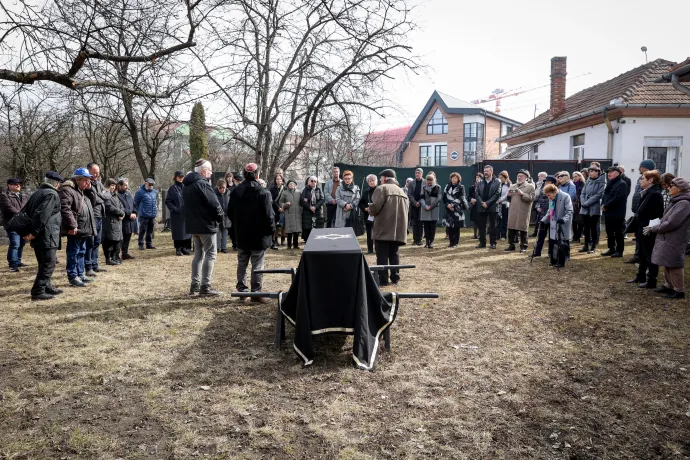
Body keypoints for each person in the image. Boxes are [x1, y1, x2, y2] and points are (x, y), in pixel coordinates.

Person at [228, 163, 275, 302]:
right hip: (259, 235)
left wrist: (238, 225)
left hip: (242, 233)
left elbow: (230, 211)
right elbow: (269, 216)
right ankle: (256, 292)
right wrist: (270, 231)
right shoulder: (263, 193)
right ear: (257, 175)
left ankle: (242, 291)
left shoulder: (236, 192)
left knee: (242, 262)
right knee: (257, 264)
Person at [183, 159, 225, 296]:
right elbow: (214, 204)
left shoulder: (187, 186)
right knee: (211, 254)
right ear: (203, 171)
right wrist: (220, 217)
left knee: (198, 254)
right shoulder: (203, 185)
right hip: (206, 226)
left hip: (193, 226)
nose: (211, 172)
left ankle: (194, 286)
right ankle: (205, 287)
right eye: (210, 170)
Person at [647, 177, 690, 299]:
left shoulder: (684, 203)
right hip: (668, 237)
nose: (668, 188)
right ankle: (668, 285)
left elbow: (672, 223)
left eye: (671, 186)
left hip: (675, 237)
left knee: (674, 263)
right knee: (667, 261)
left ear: (679, 188)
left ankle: (679, 290)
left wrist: (655, 228)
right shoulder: (676, 201)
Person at [22, 171, 63, 300]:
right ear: (56, 183)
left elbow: (26, 212)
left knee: (43, 263)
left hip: (42, 234)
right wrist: (34, 232)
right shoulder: (51, 194)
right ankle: (38, 291)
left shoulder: (37, 193)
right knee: (48, 264)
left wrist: (30, 232)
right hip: (46, 235)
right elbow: (42, 214)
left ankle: (46, 286)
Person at [368, 169, 409, 286]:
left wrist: (369, 209)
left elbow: (375, 207)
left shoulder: (381, 189)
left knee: (382, 255)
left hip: (383, 228)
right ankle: (395, 277)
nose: (381, 181)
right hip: (398, 230)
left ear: (385, 178)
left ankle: (383, 280)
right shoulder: (402, 192)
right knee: (394, 254)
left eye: (381, 179)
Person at [59, 168, 97, 287]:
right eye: (85, 180)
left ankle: (80, 274)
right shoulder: (68, 190)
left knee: (81, 252)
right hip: (76, 228)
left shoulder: (82, 190)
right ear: (78, 180)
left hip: (84, 227)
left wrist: (90, 189)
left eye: (89, 181)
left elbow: (94, 201)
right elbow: (65, 208)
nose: (88, 183)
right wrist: (72, 224)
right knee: (73, 253)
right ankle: (73, 276)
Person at [627, 170, 664, 289]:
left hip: (648, 229)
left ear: (650, 180)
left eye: (643, 178)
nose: (640, 180)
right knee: (641, 253)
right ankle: (640, 275)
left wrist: (650, 228)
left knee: (649, 254)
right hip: (641, 227)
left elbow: (657, 214)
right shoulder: (647, 192)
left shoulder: (655, 194)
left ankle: (651, 280)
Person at [627, 159, 656, 264]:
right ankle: (637, 256)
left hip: (645, 214)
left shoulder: (653, 180)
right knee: (638, 236)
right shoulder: (641, 177)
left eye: (641, 166)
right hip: (638, 211)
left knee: (645, 239)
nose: (639, 168)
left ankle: (644, 259)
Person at [540, 183, 573, 268]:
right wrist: (543, 220)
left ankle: (561, 263)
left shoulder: (565, 196)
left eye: (549, 195)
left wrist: (563, 219)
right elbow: (549, 212)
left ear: (554, 192)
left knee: (561, 243)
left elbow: (569, 211)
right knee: (553, 243)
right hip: (553, 224)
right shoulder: (551, 198)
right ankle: (553, 261)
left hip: (562, 224)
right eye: (547, 196)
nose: (548, 197)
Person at [0, 177, 29, 272]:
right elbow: (9, 208)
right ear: (9, 185)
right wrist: (21, 214)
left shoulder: (23, 195)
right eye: (15, 184)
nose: (18, 185)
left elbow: (27, 207)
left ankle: (18, 261)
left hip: (22, 223)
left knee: (21, 243)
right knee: (15, 243)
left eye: (19, 184)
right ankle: (12, 264)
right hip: (12, 223)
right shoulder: (4, 196)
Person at [84, 163, 106, 276]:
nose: (97, 174)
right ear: (89, 172)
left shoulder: (99, 183)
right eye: (94, 172)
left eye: (98, 172)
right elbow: (94, 199)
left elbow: (107, 196)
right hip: (91, 216)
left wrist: (100, 196)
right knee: (90, 242)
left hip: (99, 216)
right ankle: (88, 266)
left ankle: (95, 264)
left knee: (97, 241)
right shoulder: (86, 184)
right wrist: (100, 196)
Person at [505, 169, 535, 253]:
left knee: (523, 228)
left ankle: (523, 246)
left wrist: (522, 194)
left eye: (521, 176)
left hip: (523, 211)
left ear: (526, 177)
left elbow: (532, 198)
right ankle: (511, 245)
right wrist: (508, 196)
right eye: (518, 176)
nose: (519, 177)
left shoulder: (530, 187)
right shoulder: (513, 186)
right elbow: (508, 200)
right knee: (511, 228)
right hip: (513, 210)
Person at [601, 166, 628, 258]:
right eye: (608, 172)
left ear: (618, 173)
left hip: (617, 212)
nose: (609, 173)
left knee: (618, 232)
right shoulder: (610, 183)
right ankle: (611, 248)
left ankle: (619, 251)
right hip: (608, 211)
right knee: (609, 231)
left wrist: (606, 205)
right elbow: (605, 195)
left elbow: (618, 198)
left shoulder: (621, 184)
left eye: (611, 172)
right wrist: (604, 204)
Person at [472, 165, 501, 249]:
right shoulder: (480, 182)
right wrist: (482, 203)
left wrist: (487, 203)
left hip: (492, 206)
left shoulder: (497, 181)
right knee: (481, 226)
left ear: (492, 172)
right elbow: (476, 193)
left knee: (493, 226)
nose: (485, 173)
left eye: (487, 171)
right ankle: (482, 243)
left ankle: (493, 243)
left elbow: (497, 194)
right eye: (484, 171)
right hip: (481, 207)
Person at [578, 165, 605, 254]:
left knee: (593, 227)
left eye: (593, 171)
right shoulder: (588, 181)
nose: (591, 173)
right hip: (585, 207)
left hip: (595, 207)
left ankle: (593, 246)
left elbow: (599, 195)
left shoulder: (602, 182)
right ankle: (586, 245)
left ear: (598, 172)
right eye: (590, 171)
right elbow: (582, 193)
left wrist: (587, 203)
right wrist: (583, 203)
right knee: (585, 227)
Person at [166, 171, 191, 256]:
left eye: (182, 177)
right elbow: (168, 201)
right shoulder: (172, 188)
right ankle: (178, 248)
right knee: (178, 232)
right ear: (176, 177)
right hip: (176, 214)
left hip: (185, 213)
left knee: (186, 232)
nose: (181, 178)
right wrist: (174, 209)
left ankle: (184, 248)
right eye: (179, 177)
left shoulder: (186, 187)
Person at [531, 175, 558, 258]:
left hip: (551, 215)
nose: (545, 183)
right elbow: (538, 200)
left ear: (552, 183)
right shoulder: (543, 190)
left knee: (551, 236)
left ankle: (550, 253)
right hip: (542, 215)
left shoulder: (555, 191)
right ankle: (537, 252)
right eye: (545, 182)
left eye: (547, 182)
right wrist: (537, 206)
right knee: (540, 235)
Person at [101, 178, 125, 266]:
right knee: (109, 241)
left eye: (114, 185)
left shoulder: (115, 195)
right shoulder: (105, 195)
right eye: (112, 185)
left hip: (117, 221)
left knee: (117, 241)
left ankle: (115, 257)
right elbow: (108, 206)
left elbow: (121, 205)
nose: (113, 187)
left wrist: (122, 213)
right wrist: (120, 212)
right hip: (109, 221)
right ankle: (108, 258)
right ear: (107, 185)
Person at [442, 172, 466, 248]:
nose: (453, 179)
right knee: (449, 226)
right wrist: (448, 205)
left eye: (455, 178)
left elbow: (462, 197)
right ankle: (451, 242)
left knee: (456, 227)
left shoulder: (461, 187)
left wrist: (453, 205)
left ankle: (455, 243)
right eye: (452, 178)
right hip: (448, 209)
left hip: (457, 210)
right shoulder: (447, 186)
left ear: (458, 179)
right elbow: (444, 198)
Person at [134, 178, 158, 250]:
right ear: (146, 183)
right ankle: (141, 244)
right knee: (142, 230)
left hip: (152, 215)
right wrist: (137, 212)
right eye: (149, 185)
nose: (151, 186)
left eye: (152, 185)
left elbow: (155, 202)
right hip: (144, 215)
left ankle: (149, 243)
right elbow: (135, 203)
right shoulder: (140, 192)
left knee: (150, 230)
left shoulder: (154, 192)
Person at [117, 178, 137, 260]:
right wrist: (129, 214)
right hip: (123, 220)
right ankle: (116, 254)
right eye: (125, 185)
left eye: (127, 185)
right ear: (120, 185)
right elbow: (120, 207)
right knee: (121, 238)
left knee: (128, 237)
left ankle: (125, 253)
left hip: (130, 220)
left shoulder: (129, 194)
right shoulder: (117, 195)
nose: (126, 187)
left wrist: (135, 213)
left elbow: (134, 204)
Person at [300, 176, 325, 242]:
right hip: (307, 211)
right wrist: (310, 207)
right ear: (309, 182)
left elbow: (322, 199)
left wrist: (315, 207)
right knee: (307, 226)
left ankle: (317, 240)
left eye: (315, 181)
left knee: (317, 225)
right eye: (312, 181)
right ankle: (307, 240)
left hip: (317, 211)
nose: (313, 182)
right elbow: (302, 199)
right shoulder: (305, 189)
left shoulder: (319, 189)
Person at [419, 173, 441, 248]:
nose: (429, 182)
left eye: (431, 180)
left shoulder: (438, 187)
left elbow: (439, 198)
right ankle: (427, 242)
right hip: (425, 210)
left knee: (432, 227)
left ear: (434, 180)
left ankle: (431, 242)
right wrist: (425, 206)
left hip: (434, 209)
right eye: (428, 180)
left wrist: (431, 206)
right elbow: (421, 198)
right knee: (426, 227)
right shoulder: (423, 188)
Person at [279, 179, 302, 249]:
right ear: (288, 185)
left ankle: (296, 245)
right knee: (289, 231)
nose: (292, 185)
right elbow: (280, 202)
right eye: (290, 184)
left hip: (297, 213)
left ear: (295, 185)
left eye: (293, 184)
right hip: (288, 214)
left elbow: (301, 202)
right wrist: (286, 204)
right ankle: (289, 245)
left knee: (296, 231)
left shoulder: (299, 192)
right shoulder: (284, 193)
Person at [359, 174, 378, 254]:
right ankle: (370, 249)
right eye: (370, 181)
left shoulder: (380, 190)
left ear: (376, 181)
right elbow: (361, 203)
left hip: (378, 216)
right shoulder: (366, 192)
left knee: (378, 233)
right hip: (369, 216)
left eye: (373, 180)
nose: (372, 182)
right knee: (369, 233)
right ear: (368, 183)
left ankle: (378, 249)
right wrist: (365, 208)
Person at [407, 168, 425, 246]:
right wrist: (415, 202)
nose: (417, 174)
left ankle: (420, 240)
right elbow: (409, 194)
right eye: (416, 173)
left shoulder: (425, 182)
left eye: (419, 173)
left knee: (421, 223)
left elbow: (426, 194)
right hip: (414, 206)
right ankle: (415, 239)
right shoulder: (411, 183)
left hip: (422, 205)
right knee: (414, 223)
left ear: (422, 174)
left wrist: (420, 202)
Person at [215, 179, 232, 253]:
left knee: (225, 232)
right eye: (220, 188)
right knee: (218, 232)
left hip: (227, 216)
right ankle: (217, 247)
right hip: (217, 216)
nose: (222, 190)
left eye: (223, 188)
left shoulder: (229, 193)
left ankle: (224, 247)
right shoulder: (214, 194)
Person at [269, 174, 285, 249]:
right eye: (277, 179)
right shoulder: (272, 188)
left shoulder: (284, 188)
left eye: (280, 179)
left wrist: (283, 207)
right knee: (274, 225)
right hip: (274, 209)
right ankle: (275, 240)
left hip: (283, 208)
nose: (278, 181)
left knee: (283, 225)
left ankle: (283, 239)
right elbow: (271, 199)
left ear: (282, 180)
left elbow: (286, 198)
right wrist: (278, 207)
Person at [531, 172, 548, 237]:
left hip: (543, 204)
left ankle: (541, 233)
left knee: (542, 219)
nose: (540, 177)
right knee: (537, 218)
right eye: (539, 176)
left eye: (542, 176)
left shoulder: (545, 185)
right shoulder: (536, 184)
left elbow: (541, 195)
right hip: (536, 202)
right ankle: (536, 232)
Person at [571, 171, 585, 243]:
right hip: (573, 205)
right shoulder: (572, 185)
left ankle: (578, 236)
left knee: (579, 221)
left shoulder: (583, 184)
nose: (574, 178)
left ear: (580, 176)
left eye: (576, 176)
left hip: (580, 205)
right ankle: (575, 236)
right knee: (573, 222)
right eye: (573, 177)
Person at [497, 171, 511, 240]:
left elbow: (507, 195)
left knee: (504, 220)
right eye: (499, 177)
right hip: (497, 205)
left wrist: (500, 200)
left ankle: (503, 235)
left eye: (502, 178)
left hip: (505, 204)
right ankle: (497, 234)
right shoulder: (498, 184)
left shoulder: (509, 185)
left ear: (506, 178)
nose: (500, 179)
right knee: (498, 220)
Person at [468, 173, 482, 239]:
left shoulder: (483, 186)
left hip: (481, 206)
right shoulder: (471, 187)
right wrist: (471, 199)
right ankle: (475, 235)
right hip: (474, 206)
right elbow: (468, 197)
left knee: (480, 220)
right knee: (474, 221)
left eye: (479, 177)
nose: (477, 178)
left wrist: (477, 200)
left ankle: (479, 234)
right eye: (476, 177)